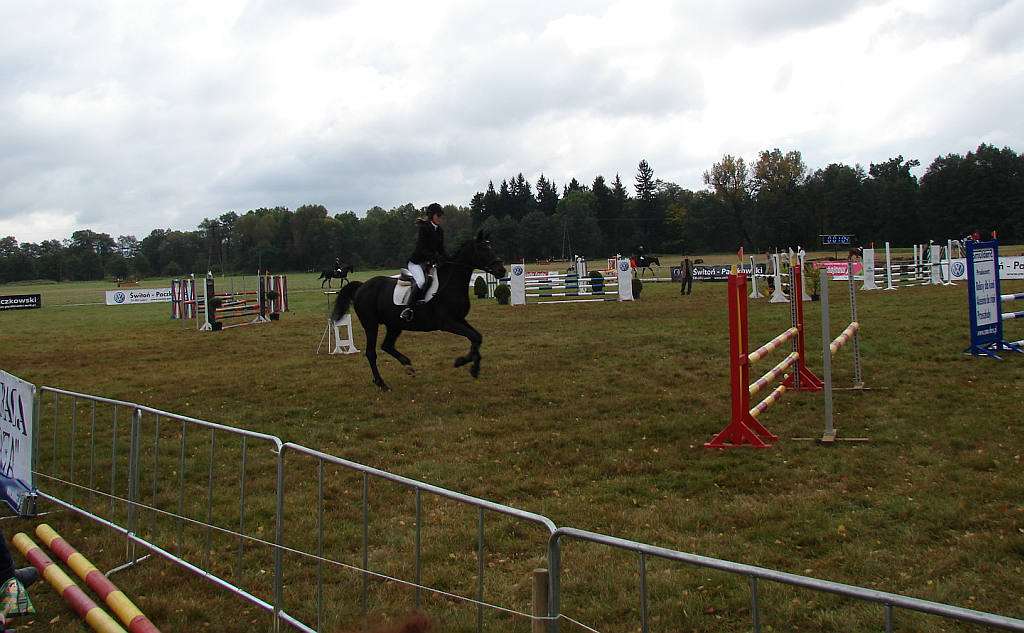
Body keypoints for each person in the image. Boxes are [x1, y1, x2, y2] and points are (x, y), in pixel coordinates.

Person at [400, 203, 446, 322]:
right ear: (431, 216)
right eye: (438, 215)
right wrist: (434, 257)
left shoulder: (440, 230)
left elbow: (441, 250)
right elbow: (422, 249)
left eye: (441, 215)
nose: (440, 218)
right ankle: (408, 309)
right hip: (416, 262)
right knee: (421, 281)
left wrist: (448, 259)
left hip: (428, 263)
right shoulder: (424, 228)